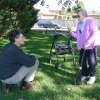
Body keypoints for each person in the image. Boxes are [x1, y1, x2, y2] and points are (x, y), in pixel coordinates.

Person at [0, 29, 39, 93]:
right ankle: (25, 84)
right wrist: (33, 56)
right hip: (8, 77)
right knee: (35, 61)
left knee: (25, 61)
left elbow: (21, 58)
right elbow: (30, 63)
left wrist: (28, 57)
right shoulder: (15, 50)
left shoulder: (8, 46)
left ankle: (7, 85)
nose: (24, 38)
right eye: (22, 37)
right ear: (16, 39)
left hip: (2, 76)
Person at [68, 9, 100, 85]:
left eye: (78, 15)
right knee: (81, 61)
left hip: (91, 45)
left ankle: (92, 76)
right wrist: (70, 32)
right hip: (83, 46)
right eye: (77, 15)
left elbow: (95, 33)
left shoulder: (90, 21)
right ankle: (85, 74)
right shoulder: (79, 24)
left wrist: (88, 42)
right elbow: (78, 36)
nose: (77, 17)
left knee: (91, 62)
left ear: (84, 15)